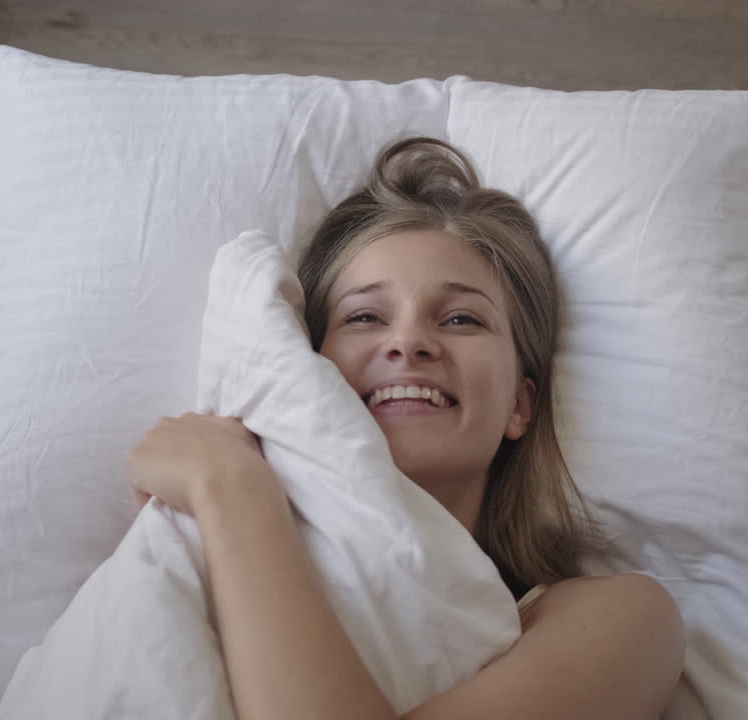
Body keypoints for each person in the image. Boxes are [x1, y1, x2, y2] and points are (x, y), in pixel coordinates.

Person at [126, 137, 686, 720]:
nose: (408, 342)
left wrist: (231, 490)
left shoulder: (621, 623)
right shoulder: (187, 540)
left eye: (462, 319)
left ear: (520, 405)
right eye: (364, 316)